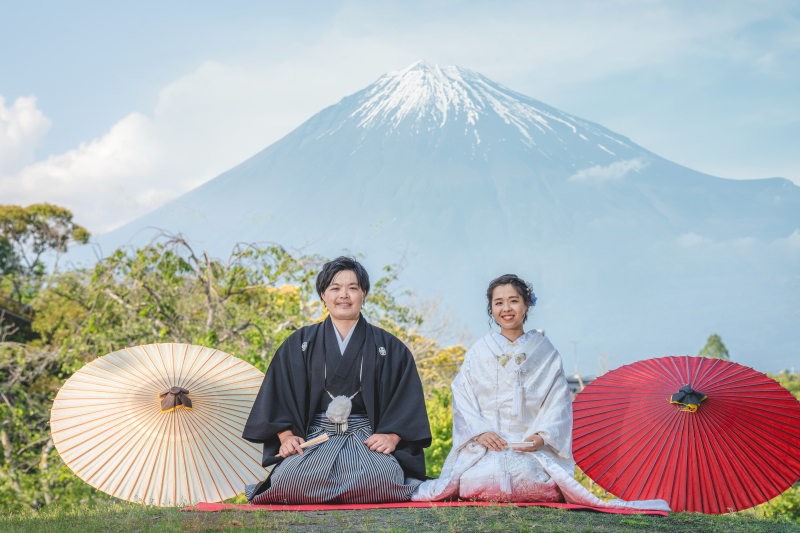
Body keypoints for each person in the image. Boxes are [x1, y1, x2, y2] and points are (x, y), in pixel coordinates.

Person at [412, 274, 669, 511]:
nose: (506, 309)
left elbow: (558, 401)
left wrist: (541, 437)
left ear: (526, 305)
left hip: (528, 446)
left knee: (530, 477)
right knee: (478, 478)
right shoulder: (479, 352)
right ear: (491, 308)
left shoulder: (545, 352)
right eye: (499, 303)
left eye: (514, 301)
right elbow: (462, 394)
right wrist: (480, 432)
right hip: (486, 444)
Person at [242, 257, 431, 504]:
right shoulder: (299, 343)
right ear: (323, 295)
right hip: (315, 437)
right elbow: (278, 393)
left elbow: (407, 400)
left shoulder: (388, 347)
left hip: (367, 439)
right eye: (335, 288)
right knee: (288, 479)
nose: (344, 295)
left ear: (364, 293)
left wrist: (392, 436)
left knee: (384, 475)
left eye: (353, 288)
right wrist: (286, 437)